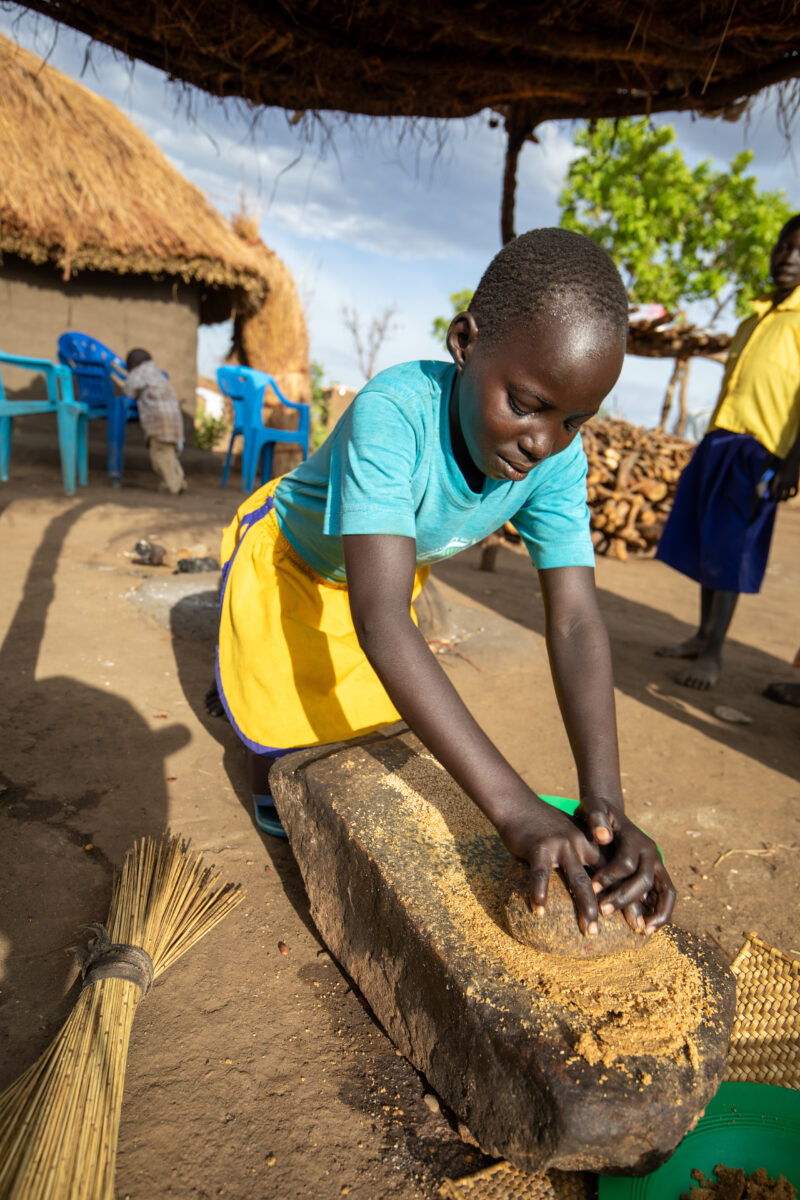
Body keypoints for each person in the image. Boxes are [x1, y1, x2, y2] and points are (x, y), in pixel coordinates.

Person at [215, 228, 675, 938]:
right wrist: (515, 809)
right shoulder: (393, 415)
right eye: (525, 402)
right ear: (465, 342)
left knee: (369, 729)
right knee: (281, 749)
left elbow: (578, 621)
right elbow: (384, 622)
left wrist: (605, 808)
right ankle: (245, 712)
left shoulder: (555, 459)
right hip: (297, 563)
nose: (542, 441)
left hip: (379, 579)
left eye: (574, 421)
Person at [655, 215, 800, 689]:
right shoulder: (753, 317)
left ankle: (714, 653)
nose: (787, 257)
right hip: (720, 441)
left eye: (799, 251)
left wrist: (792, 464)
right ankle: (701, 635)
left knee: (733, 551)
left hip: (759, 453)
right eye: (783, 246)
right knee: (707, 542)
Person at [124, 348, 187, 495]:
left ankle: (172, 486)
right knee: (169, 454)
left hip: (159, 422)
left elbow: (129, 392)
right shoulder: (158, 375)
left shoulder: (138, 374)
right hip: (175, 421)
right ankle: (179, 481)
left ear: (132, 365)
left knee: (159, 456)